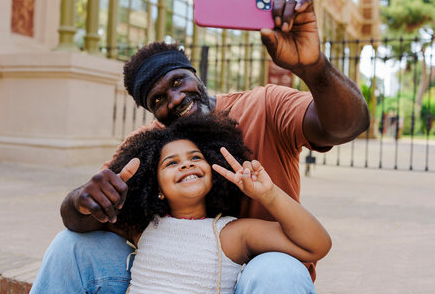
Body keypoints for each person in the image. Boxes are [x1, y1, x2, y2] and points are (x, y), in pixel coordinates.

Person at [30, 0, 369, 293]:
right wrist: (81, 200)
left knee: (277, 272)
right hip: (174, 279)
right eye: (158, 100)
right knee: (69, 246)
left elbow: (345, 127)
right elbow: (82, 217)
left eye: (178, 82)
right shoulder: (148, 147)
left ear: (195, 74)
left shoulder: (264, 105)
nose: (174, 99)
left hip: (259, 271)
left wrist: (314, 68)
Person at [103, 114, 330, 294]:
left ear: (214, 174)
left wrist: (269, 194)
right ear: (157, 188)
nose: (186, 165)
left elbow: (317, 245)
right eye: (171, 163)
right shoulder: (143, 228)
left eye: (195, 158)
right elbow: (83, 222)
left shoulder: (230, 234)